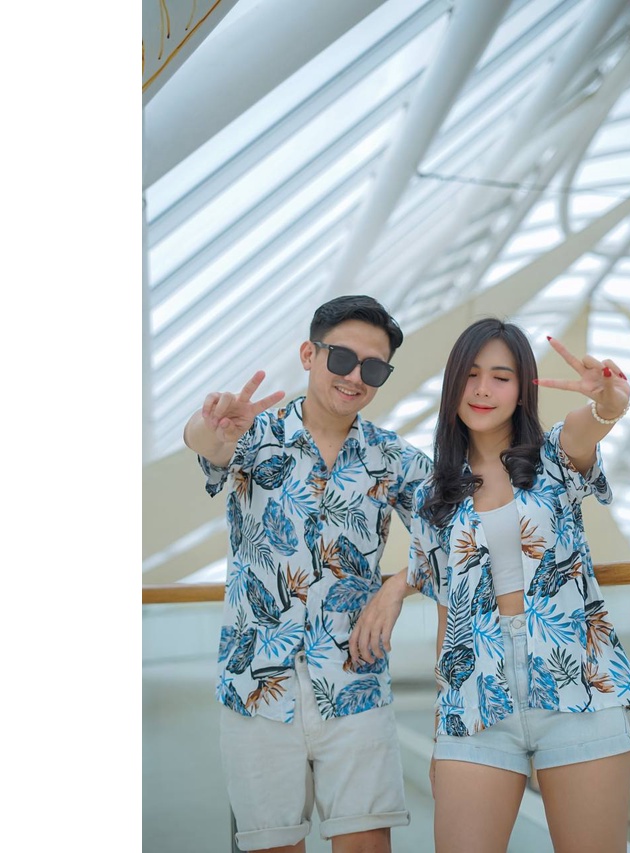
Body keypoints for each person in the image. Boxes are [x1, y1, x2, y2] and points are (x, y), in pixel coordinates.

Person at [349, 317, 630, 853]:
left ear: (522, 388)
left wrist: (610, 402)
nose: (483, 389)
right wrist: (442, 723)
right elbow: (448, 610)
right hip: (474, 698)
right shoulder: (432, 496)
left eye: (501, 377)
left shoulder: (554, 458)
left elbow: (591, 425)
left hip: (578, 687)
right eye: (471, 374)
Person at [183, 295, 433, 853]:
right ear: (308, 354)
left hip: (355, 683)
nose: (355, 377)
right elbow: (206, 444)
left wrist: (398, 587)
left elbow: (460, 530)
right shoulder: (253, 434)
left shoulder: (390, 458)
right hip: (257, 685)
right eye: (342, 358)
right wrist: (209, 424)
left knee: (367, 845)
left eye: (374, 368)